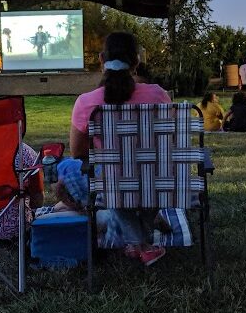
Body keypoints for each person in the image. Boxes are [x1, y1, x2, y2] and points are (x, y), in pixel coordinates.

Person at [67, 32, 172, 266]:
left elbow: (77, 152)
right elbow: (170, 140)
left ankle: (140, 244)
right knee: (148, 175)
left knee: (100, 176)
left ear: (101, 60)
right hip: (156, 184)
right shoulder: (158, 95)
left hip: (113, 186)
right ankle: (143, 241)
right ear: (136, 61)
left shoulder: (86, 103)